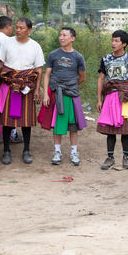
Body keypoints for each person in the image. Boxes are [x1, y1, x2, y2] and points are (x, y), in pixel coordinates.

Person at [0, 17, 45, 165]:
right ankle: (6, 150)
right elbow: (0, 64)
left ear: (29, 30)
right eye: (16, 27)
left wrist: (37, 89)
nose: (17, 30)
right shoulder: (6, 43)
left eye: (21, 28)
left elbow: (38, 69)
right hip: (9, 86)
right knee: (7, 121)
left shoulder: (35, 46)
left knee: (26, 121)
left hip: (27, 88)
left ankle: (26, 150)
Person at [37, 27, 87, 166]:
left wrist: (70, 85)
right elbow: (47, 74)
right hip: (55, 93)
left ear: (72, 38)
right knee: (58, 124)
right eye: (60, 35)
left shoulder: (78, 57)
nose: (61, 37)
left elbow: (82, 77)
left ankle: (74, 152)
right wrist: (46, 94)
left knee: (73, 126)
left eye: (64, 35)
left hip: (71, 95)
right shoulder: (53, 55)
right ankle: (57, 152)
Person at [96, 30, 128, 170]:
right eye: (112, 40)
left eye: (116, 41)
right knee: (110, 129)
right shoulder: (106, 59)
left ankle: (126, 157)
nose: (113, 43)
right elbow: (101, 79)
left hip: (125, 97)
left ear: (124, 44)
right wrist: (99, 99)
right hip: (110, 96)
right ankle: (110, 157)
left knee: (125, 129)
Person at [0, 16, 23, 143]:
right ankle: (12, 133)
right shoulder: (9, 41)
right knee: (10, 106)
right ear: (8, 26)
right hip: (4, 78)